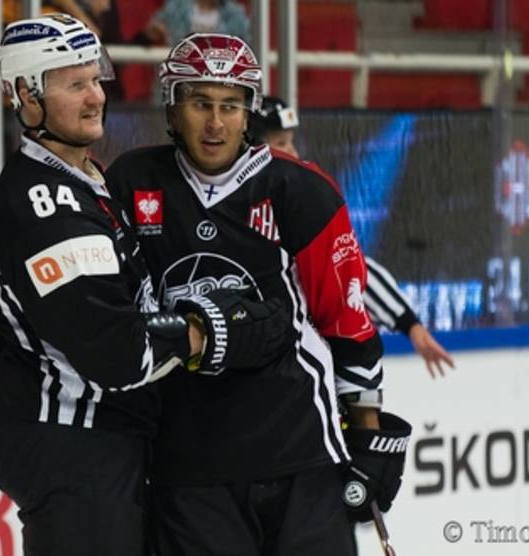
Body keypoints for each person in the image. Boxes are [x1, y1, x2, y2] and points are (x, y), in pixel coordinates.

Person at [0, 16, 292, 556]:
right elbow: (118, 351)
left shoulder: (85, 178)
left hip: (97, 438)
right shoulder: (43, 205)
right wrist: (209, 329)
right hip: (74, 443)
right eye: (75, 85)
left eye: (96, 79)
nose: (96, 96)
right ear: (26, 96)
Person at [106, 33, 411, 555]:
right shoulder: (133, 183)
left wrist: (365, 430)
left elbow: (345, 320)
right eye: (200, 104)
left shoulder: (301, 191)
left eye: (230, 106)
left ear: (248, 113)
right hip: (189, 464)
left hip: (299, 451)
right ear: (172, 109)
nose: (216, 122)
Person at [249, 95, 456, 378]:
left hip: (290, 370)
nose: (294, 152)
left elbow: (348, 270)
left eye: (291, 141)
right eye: (282, 143)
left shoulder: (301, 199)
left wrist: (410, 324)